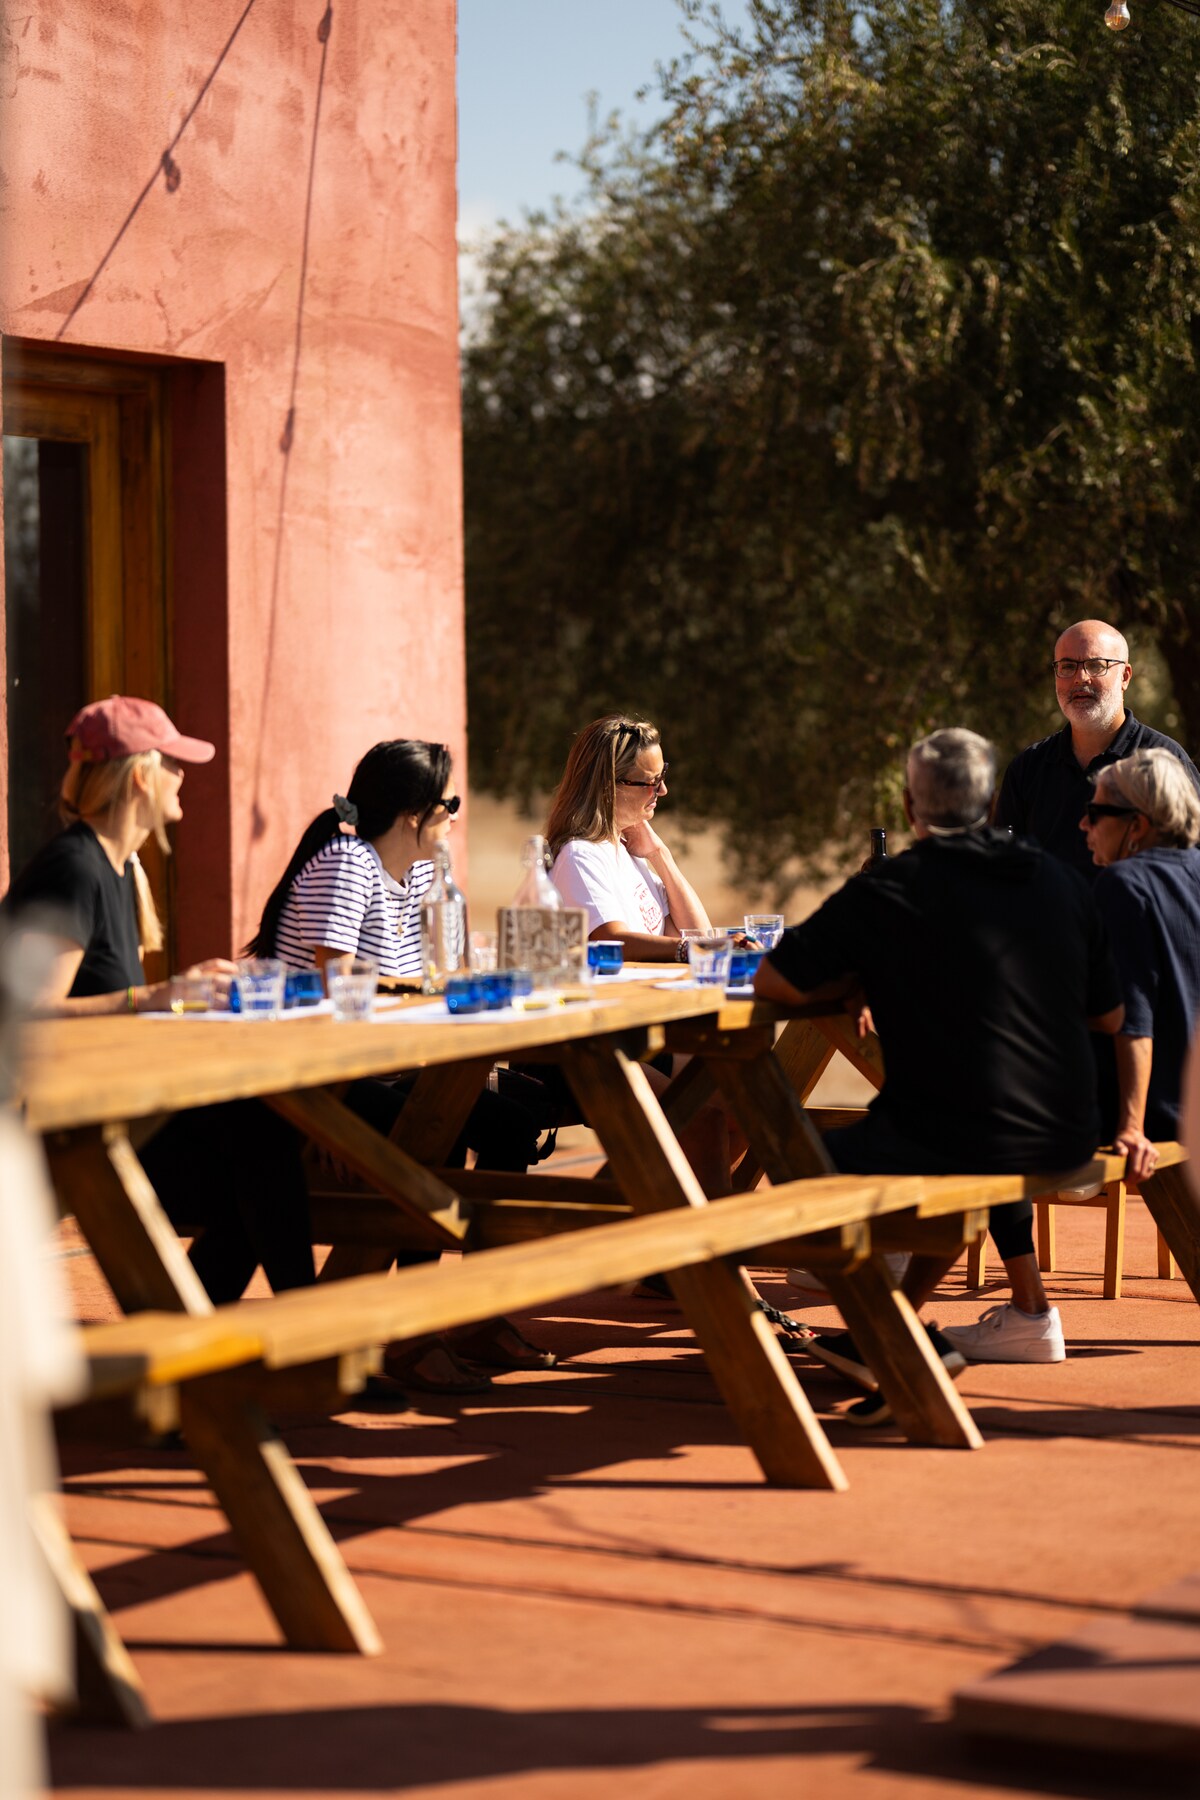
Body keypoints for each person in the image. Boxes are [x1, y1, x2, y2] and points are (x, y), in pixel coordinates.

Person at [755, 728, 1125, 1418]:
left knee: (792, 1159)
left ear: (909, 805)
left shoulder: (890, 887)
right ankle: (891, 1332)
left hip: (948, 1137)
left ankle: (884, 1333)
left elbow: (773, 980)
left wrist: (858, 977)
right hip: (1067, 1133)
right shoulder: (1057, 878)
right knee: (971, 1141)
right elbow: (1109, 1016)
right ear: (988, 804)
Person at [248, 739, 558, 1388]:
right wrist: (333, 1110)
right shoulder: (347, 864)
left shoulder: (419, 875)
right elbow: (335, 998)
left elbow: (436, 978)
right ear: (414, 813)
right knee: (434, 1134)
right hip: (316, 1077)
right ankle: (414, 1331)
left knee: (509, 1125)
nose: (455, 816)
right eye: (449, 804)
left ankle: (469, 1310)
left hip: (395, 1065)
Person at [2, 696, 315, 1305]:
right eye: (173, 762)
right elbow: (26, 1017)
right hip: (59, 1131)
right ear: (141, 775)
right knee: (260, 1154)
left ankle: (197, 1338)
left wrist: (187, 997)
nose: (182, 775)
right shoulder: (75, 869)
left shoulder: (118, 869)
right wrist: (155, 997)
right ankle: (311, 1331)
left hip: (106, 1111)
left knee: (261, 1154)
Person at [995, 618, 1199, 879]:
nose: (1080, 678)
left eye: (1096, 665)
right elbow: (1004, 867)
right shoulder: (1027, 769)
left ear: (1125, 676)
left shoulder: (1165, 761)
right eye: (1067, 666)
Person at [1082, 749, 1200, 1183]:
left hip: (1159, 1117)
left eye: (1096, 813)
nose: (1083, 824)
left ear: (1138, 826)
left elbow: (1134, 1016)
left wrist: (1131, 1125)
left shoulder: (1123, 884)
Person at [547, 715, 712, 959]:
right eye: (651, 781)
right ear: (608, 786)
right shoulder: (579, 857)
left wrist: (660, 855)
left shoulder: (628, 853)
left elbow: (699, 935)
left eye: (662, 775)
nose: (663, 790)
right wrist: (690, 949)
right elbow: (612, 943)